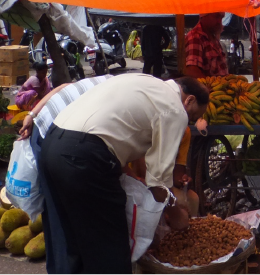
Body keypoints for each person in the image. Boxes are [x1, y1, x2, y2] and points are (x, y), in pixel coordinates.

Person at [40, 74, 209, 275]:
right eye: (192, 115)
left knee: (71, 244)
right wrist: (176, 214)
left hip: (52, 144)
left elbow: (111, 131)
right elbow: (159, 183)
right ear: (189, 100)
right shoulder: (175, 109)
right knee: (109, 252)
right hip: (84, 157)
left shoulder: (144, 81)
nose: (188, 121)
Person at [18, 76, 111, 275]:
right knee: (61, 210)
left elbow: (62, 87)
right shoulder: (121, 96)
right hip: (51, 133)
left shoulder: (108, 81)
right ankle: (65, 269)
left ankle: (64, 266)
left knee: (56, 209)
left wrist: (31, 114)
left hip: (49, 128)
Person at [183, 13, 228, 79]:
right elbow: (192, 72)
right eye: (216, 16)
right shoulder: (195, 38)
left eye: (221, 18)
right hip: (209, 88)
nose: (219, 21)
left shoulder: (212, 37)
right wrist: (209, 88)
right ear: (204, 16)